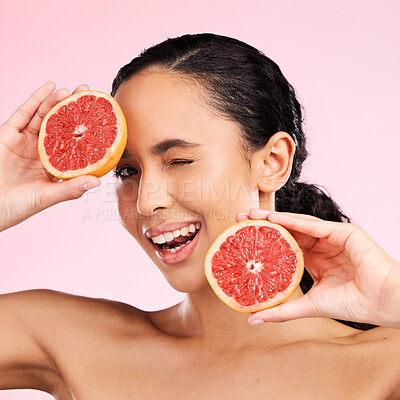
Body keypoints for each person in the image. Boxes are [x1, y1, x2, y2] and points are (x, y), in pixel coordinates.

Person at [1, 33, 399, 399]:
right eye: (127, 171)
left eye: (179, 160)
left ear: (272, 162)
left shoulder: (383, 367)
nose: (146, 202)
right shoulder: (72, 342)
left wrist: (394, 296)